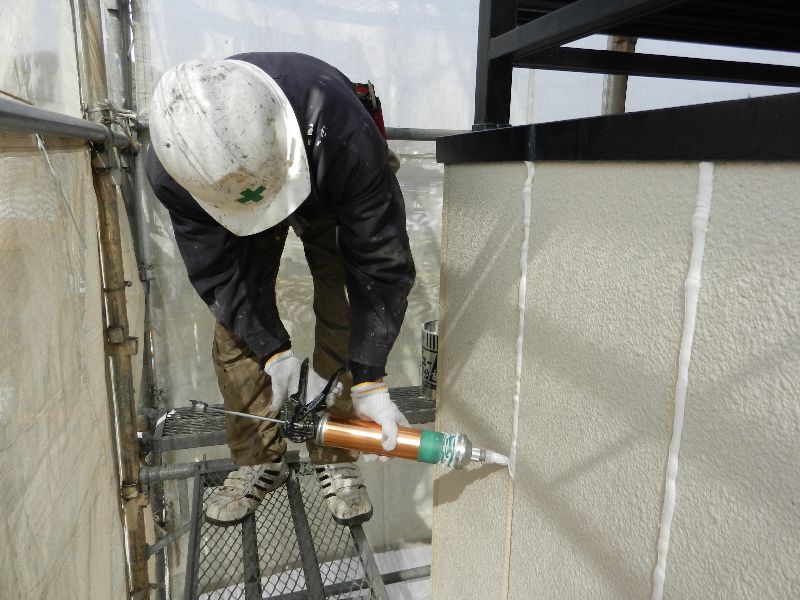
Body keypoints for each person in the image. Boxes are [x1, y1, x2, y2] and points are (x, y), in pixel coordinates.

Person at [145, 52, 415, 526]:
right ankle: (257, 459)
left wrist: (370, 380)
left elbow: (379, 264)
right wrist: (272, 350)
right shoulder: (176, 169)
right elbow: (220, 275)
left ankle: (336, 450)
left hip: (323, 169)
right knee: (237, 324)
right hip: (225, 201)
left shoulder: (346, 138)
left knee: (345, 304)